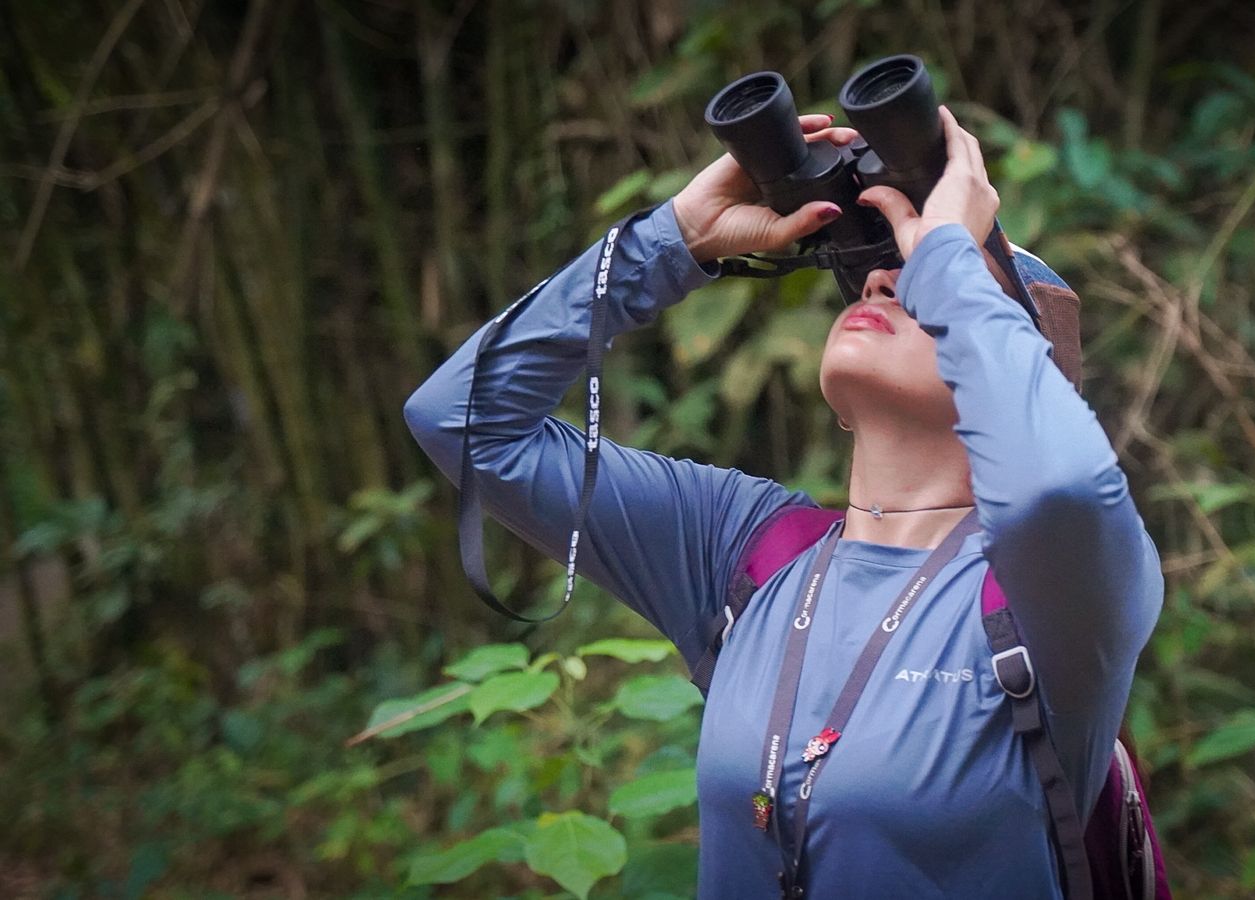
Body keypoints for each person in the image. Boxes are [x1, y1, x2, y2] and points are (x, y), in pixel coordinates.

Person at [404, 106, 1164, 899]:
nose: (883, 279)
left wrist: (945, 256)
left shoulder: (1066, 592)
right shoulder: (753, 552)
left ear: (1013, 380)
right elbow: (463, 421)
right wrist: (672, 243)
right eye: (882, 269)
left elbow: (1068, 485)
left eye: (950, 284)